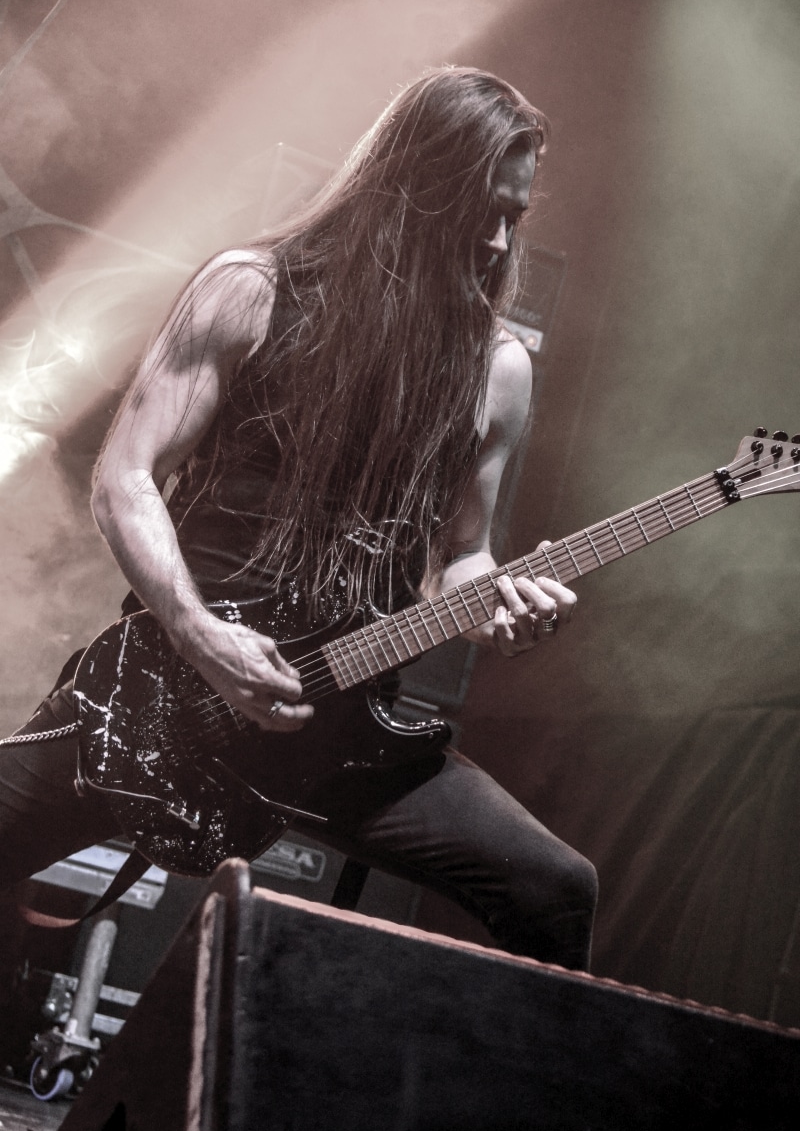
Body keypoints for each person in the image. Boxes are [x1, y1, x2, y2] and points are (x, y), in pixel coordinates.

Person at [0, 67, 597, 970]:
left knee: (555, 887)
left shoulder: (497, 369)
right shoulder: (251, 290)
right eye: (479, 209)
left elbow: (465, 557)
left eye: (513, 217)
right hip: (167, 697)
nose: (495, 239)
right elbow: (125, 477)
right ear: (412, 186)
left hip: (341, 724)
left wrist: (500, 609)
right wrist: (202, 635)